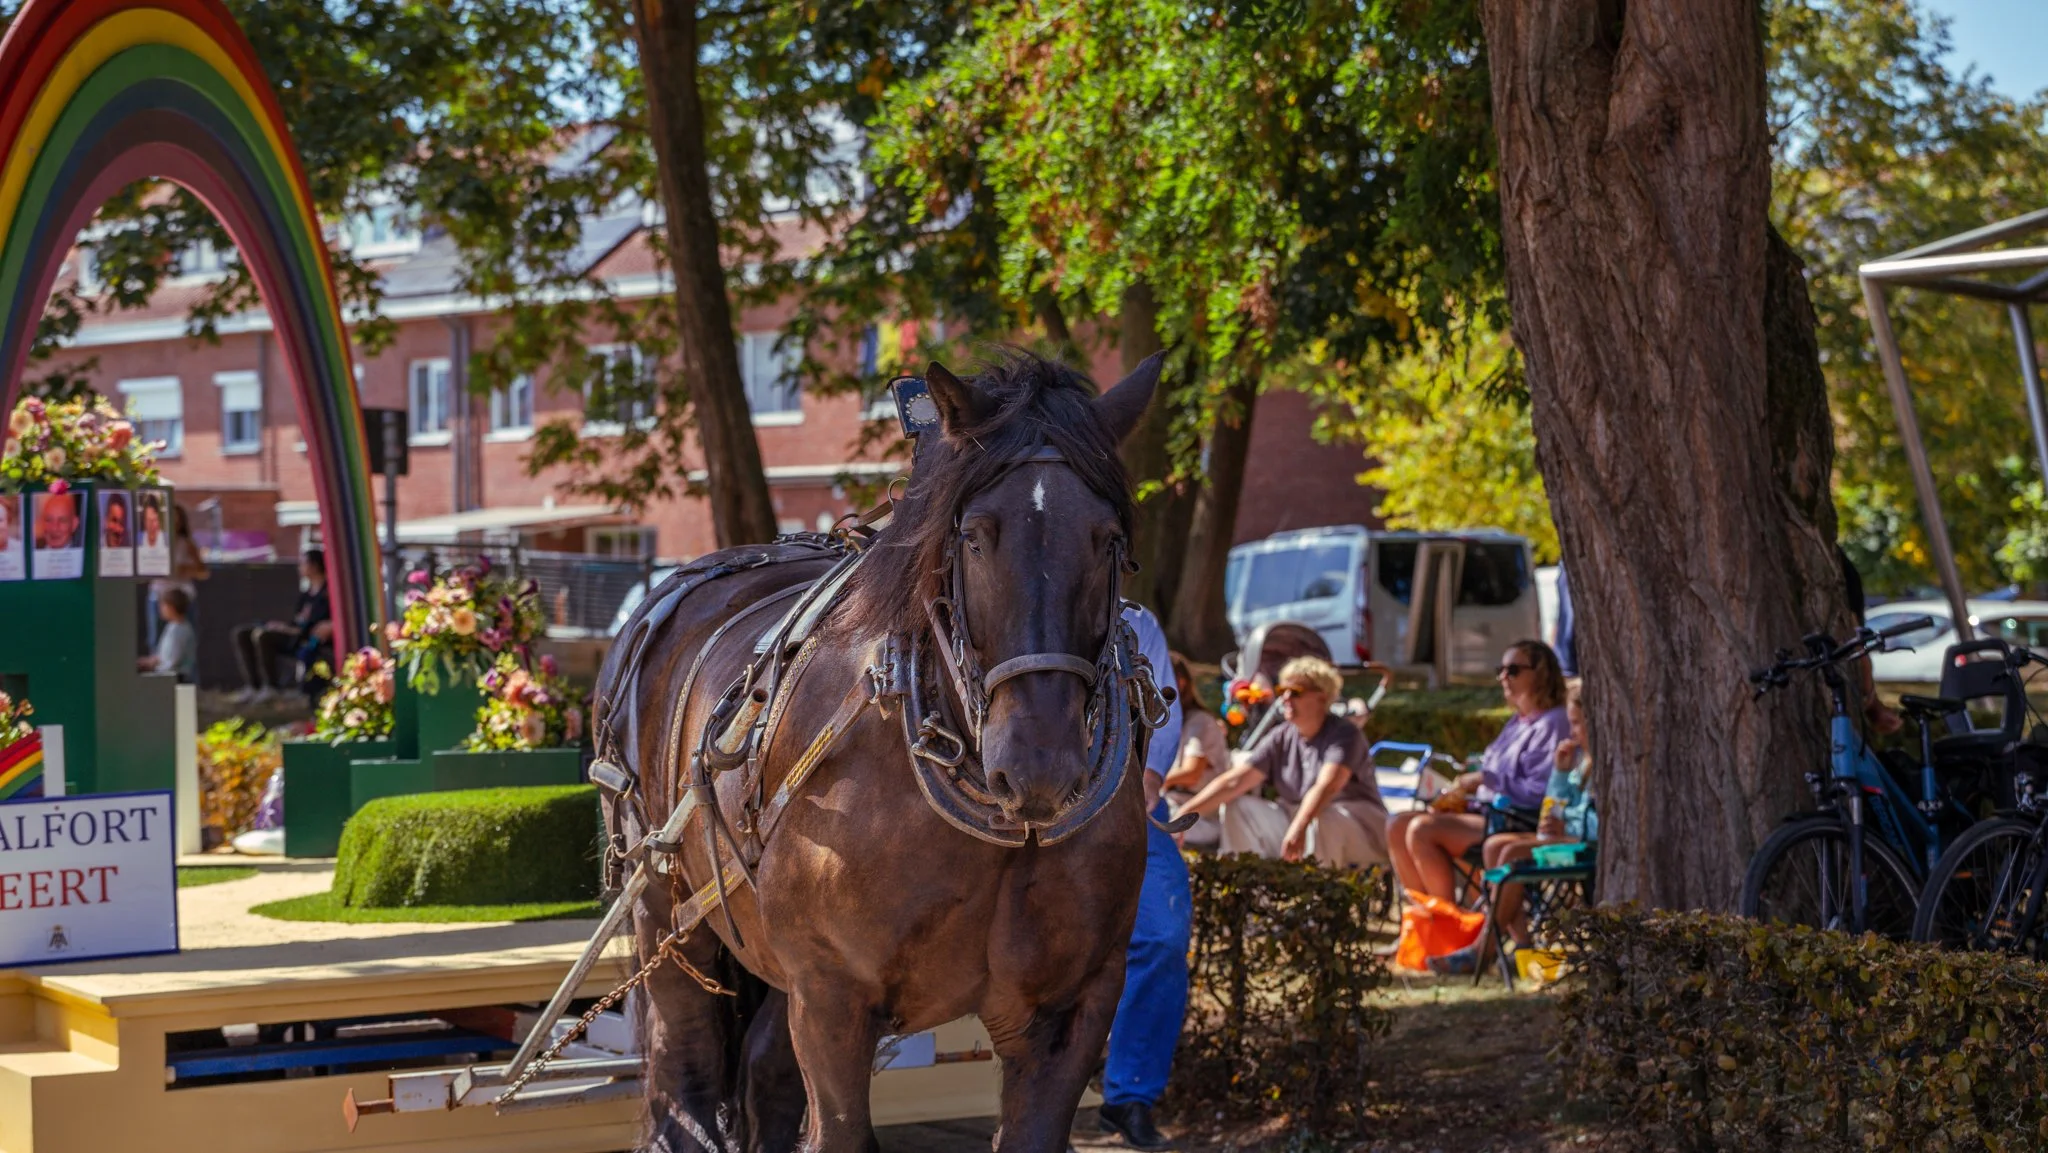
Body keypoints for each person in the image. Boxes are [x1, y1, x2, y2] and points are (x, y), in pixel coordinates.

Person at [1098, 603, 1189, 1151]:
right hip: (1025, 815)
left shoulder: (1138, 621)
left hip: (1125, 806)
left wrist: (1151, 777)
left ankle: (1129, 1095)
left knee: (1162, 935)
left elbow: (1166, 711)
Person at [1429, 683, 1597, 975]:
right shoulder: (1579, 761)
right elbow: (1555, 804)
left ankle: (1485, 949)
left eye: (1576, 724)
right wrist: (1559, 771)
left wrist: (1565, 820)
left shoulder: (1604, 764)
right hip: (1567, 838)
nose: (1572, 732)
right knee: (1495, 845)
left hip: (1587, 846)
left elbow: (1595, 820)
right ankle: (1522, 943)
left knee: (1510, 852)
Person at [1387, 640, 1571, 903]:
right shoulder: (1517, 721)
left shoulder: (1553, 722)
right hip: (1486, 812)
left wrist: (1486, 779)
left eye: (1514, 670)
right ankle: (1423, 920)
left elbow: (1540, 792)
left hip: (1515, 819)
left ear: (1541, 673)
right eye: (1501, 669)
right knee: (1396, 825)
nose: (1503, 677)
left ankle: (1450, 923)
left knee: (1421, 829)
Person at [1173, 655, 1390, 869]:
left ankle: (1317, 897)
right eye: (1281, 691)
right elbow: (1235, 781)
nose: (1285, 698)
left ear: (1322, 697)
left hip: (1360, 826)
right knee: (1238, 806)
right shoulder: (1282, 735)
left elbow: (1327, 786)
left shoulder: (1344, 733)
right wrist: (1185, 815)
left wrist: (1300, 826)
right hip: (1299, 818)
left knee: (1324, 819)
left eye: (1295, 692)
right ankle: (1250, 891)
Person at [231, 550, 331, 703]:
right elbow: (297, 621)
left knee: (263, 636)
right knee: (242, 633)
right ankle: (254, 686)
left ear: (314, 566)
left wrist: (287, 629)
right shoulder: (306, 595)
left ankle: (272, 687)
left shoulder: (326, 594)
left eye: (303, 563)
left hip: (306, 641)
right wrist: (281, 626)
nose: (299, 567)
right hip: (294, 633)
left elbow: (312, 628)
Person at [1160, 651, 1227, 850]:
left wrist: (1153, 781)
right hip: (1173, 806)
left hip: (1200, 817)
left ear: (1180, 683)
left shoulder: (1200, 721)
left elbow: (1191, 773)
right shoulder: (1166, 724)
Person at [147, 503, 209, 647]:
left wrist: (186, 570)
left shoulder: (187, 544)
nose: (174, 523)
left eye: (177, 519)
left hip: (183, 598)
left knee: (185, 642)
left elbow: (203, 572)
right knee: (156, 640)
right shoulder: (153, 544)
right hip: (160, 595)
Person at [137, 587, 197, 682]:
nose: (160, 609)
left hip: (177, 680)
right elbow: (165, 656)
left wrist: (153, 669)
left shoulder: (180, 631)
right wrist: (147, 662)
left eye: (163, 605)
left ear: (171, 607)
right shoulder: (171, 627)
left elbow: (172, 663)